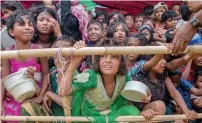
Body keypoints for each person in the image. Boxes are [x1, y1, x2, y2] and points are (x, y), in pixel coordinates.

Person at [58, 40, 158, 123]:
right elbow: (62, 92)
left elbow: (137, 96)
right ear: (98, 60)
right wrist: (74, 62)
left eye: (114, 57)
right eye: (103, 56)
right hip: (89, 116)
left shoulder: (123, 77)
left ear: (120, 62)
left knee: (132, 110)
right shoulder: (91, 76)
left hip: (111, 113)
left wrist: (145, 109)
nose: (108, 60)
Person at [1, 10, 49, 122]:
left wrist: (40, 96)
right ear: (12, 32)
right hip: (15, 99)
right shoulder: (8, 52)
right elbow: (4, 80)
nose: (28, 28)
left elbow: (46, 74)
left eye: (30, 25)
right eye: (22, 24)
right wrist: (0, 104)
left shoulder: (39, 50)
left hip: (35, 96)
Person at [129, 54, 197, 119]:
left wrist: (186, 110)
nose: (164, 62)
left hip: (159, 111)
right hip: (140, 111)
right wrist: (162, 48)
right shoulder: (141, 69)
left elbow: (173, 92)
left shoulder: (162, 74)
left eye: (164, 58)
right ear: (148, 60)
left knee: (182, 118)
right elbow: (150, 63)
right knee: (159, 105)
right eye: (160, 59)